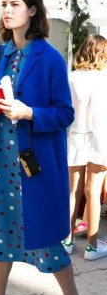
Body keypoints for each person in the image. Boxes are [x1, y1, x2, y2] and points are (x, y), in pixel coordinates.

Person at [0, 0, 89, 295]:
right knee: (2, 236)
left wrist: (28, 113)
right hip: (0, 162)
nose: (7, 10)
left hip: (34, 167)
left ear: (33, 10)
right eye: (4, 4)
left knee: (45, 238)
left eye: (15, 4)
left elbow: (64, 114)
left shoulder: (51, 58)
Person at [63, 34, 107, 259]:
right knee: (93, 193)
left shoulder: (71, 77)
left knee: (73, 191)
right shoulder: (105, 78)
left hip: (76, 136)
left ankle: (67, 240)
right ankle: (92, 246)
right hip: (100, 139)